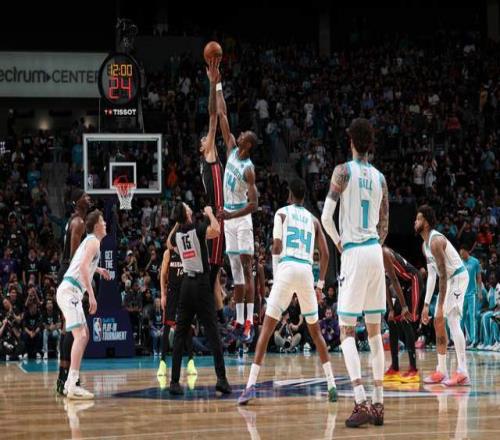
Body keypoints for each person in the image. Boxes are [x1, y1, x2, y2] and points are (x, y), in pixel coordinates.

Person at [238, 178, 337, 405]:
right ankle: (331, 384)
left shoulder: (281, 213)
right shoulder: (314, 220)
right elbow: (325, 254)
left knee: (266, 331)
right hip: (306, 271)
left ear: (290, 195)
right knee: (316, 333)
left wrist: (276, 275)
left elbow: (276, 246)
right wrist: (320, 285)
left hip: (286, 267)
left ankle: (250, 385)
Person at [321, 118, 389, 427]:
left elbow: (326, 217)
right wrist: (373, 246)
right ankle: (379, 404)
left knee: (346, 330)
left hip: (354, 252)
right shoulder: (381, 178)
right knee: (374, 332)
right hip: (375, 251)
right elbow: (384, 225)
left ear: (351, 141)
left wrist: (340, 244)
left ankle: (360, 401)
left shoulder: (342, 171)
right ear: (370, 144)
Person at [168, 203, 231, 396]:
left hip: (186, 286)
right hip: (201, 285)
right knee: (212, 332)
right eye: (187, 207)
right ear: (187, 213)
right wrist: (210, 214)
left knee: (180, 335)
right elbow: (217, 230)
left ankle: (174, 382)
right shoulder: (198, 228)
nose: (190, 207)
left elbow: (169, 243)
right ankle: (221, 379)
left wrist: (177, 222)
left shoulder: (178, 235)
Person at [217, 74, 259, 342]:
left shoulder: (249, 170)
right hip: (229, 219)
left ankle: (249, 322)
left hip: (240, 219)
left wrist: (231, 214)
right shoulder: (232, 149)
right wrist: (217, 83)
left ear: (248, 144)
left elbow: (254, 204)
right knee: (236, 274)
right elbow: (222, 114)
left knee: (247, 268)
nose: (239, 134)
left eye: (244, 135)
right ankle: (240, 320)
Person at [56, 210, 111, 399]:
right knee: (80, 336)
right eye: (102, 221)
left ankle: (70, 383)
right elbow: (81, 267)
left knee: (84, 335)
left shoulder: (90, 241)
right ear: (96, 226)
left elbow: (82, 263)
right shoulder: (94, 241)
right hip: (70, 291)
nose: (105, 223)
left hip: (70, 291)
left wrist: (98, 269)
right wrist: (92, 295)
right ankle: (72, 385)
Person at [416, 205, 470, 387]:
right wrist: (425, 305)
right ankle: (441, 370)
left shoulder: (436, 241)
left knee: (452, 320)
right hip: (448, 279)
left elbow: (444, 276)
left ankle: (463, 371)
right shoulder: (425, 246)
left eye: (418, 219)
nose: (415, 222)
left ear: (426, 223)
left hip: (458, 277)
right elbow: (433, 275)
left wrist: (439, 306)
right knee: (438, 321)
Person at [56, 189, 92, 395]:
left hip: (65, 272)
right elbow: (74, 258)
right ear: (77, 201)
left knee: (67, 328)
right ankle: (69, 379)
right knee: (74, 328)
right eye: (85, 195)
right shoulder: (78, 223)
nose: (89, 197)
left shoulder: (75, 220)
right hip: (70, 273)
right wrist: (82, 284)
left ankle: (63, 379)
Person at [200, 59, 226, 324]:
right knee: (210, 275)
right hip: (216, 218)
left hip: (220, 217)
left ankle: (219, 320)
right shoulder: (208, 155)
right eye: (203, 140)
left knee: (215, 275)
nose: (206, 138)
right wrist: (212, 83)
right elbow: (213, 117)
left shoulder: (213, 158)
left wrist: (217, 85)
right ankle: (209, 320)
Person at [157, 225, 197, 383]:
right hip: (172, 294)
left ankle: (191, 362)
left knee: (186, 328)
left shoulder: (188, 252)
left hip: (186, 292)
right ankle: (162, 363)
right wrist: (162, 294)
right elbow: (163, 275)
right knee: (167, 328)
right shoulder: (169, 253)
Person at [382, 246, 423, 383]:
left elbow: (394, 280)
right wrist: (391, 309)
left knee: (406, 319)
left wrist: (405, 306)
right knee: (392, 320)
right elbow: (385, 284)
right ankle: (394, 367)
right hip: (404, 284)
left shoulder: (384, 253)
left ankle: (413, 369)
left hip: (414, 280)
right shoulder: (374, 259)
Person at [459, 245, 482, 348]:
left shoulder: (475, 262)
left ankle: (474, 340)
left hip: (472, 294)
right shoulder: (460, 262)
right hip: (462, 294)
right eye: (460, 254)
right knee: (461, 318)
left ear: (466, 252)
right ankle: (461, 339)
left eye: (462, 254)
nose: (461, 256)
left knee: (472, 317)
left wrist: (480, 292)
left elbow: (479, 277)